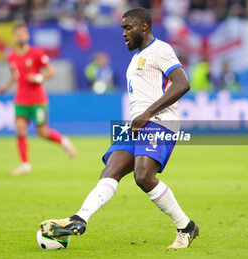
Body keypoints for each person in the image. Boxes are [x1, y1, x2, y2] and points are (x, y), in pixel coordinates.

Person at [39, 8, 198, 249]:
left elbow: (183, 83)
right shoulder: (135, 59)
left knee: (143, 176)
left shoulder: (161, 49)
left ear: (143, 27)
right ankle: (79, 218)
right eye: (122, 28)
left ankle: (186, 227)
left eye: (128, 27)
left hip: (159, 122)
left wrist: (148, 113)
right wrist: (140, 117)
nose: (123, 33)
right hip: (137, 124)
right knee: (110, 171)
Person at [0, 23, 76, 176]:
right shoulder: (11, 56)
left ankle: (63, 141)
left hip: (37, 100)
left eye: (24, 33)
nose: (22, 36)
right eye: (19, 34)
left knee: (43, 133)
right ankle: (25, 164)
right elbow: (15, 75)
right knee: (20, 130)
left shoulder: (37, 53)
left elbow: (51, 72)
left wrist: (38, 77)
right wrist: (6, 87)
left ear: (27, 36)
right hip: (21, 99)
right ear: (14, 37)